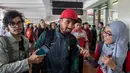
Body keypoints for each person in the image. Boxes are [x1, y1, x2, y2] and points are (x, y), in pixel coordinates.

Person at [32, 8, 79, 73]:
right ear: (60, 21)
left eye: (73, 23)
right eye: (67, 22)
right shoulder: (48, 36)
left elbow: (74, 61)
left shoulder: (72, 40)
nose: (70, 26)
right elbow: (37, 57)